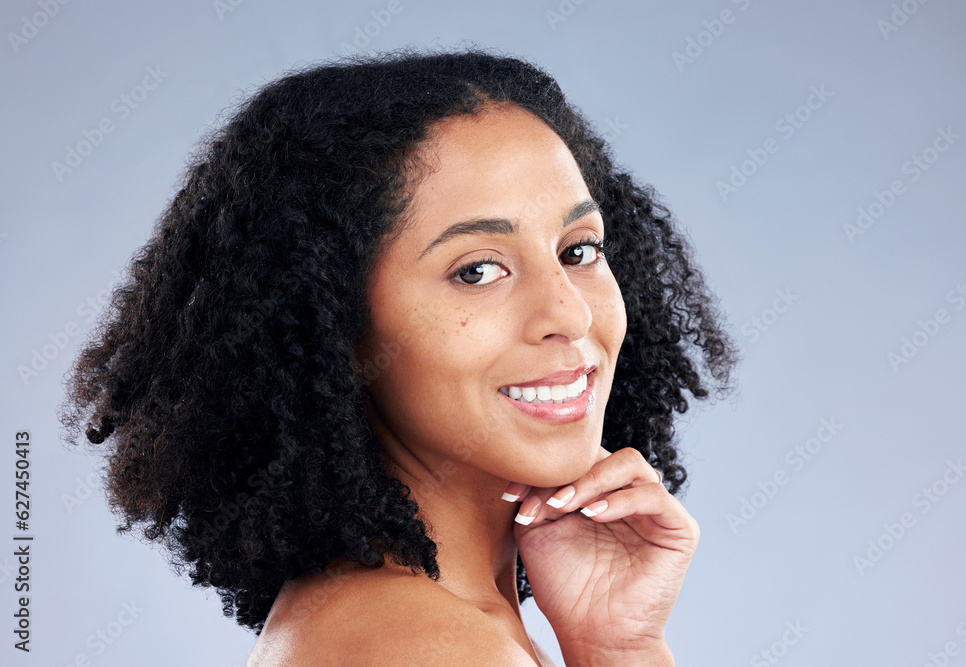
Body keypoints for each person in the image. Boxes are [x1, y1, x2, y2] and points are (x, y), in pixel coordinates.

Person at [59, 46, 737, 665]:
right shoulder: (424, 646)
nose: (570, 312)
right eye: (477, 270)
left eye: (578, 250)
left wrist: (617, 646)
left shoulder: (436, 620)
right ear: (338, 327)